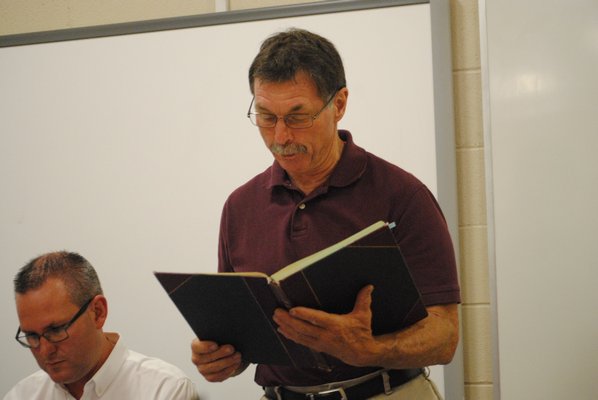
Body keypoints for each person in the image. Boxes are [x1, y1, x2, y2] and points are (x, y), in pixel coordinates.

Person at [191, 28, 461, 400]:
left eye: (298, 117)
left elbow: (445, 337)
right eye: (266, 117)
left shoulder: (403, 195)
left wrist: (370, 350)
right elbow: (241, 332)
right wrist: (222, 358)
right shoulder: (240, 207)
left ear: (339, 104)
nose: (281, 137)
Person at [4, 251, 200, 400]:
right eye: (32, 336)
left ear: (98, 312)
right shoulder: (21, 395)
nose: (45, 350)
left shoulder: (165, 391)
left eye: (56, 330)